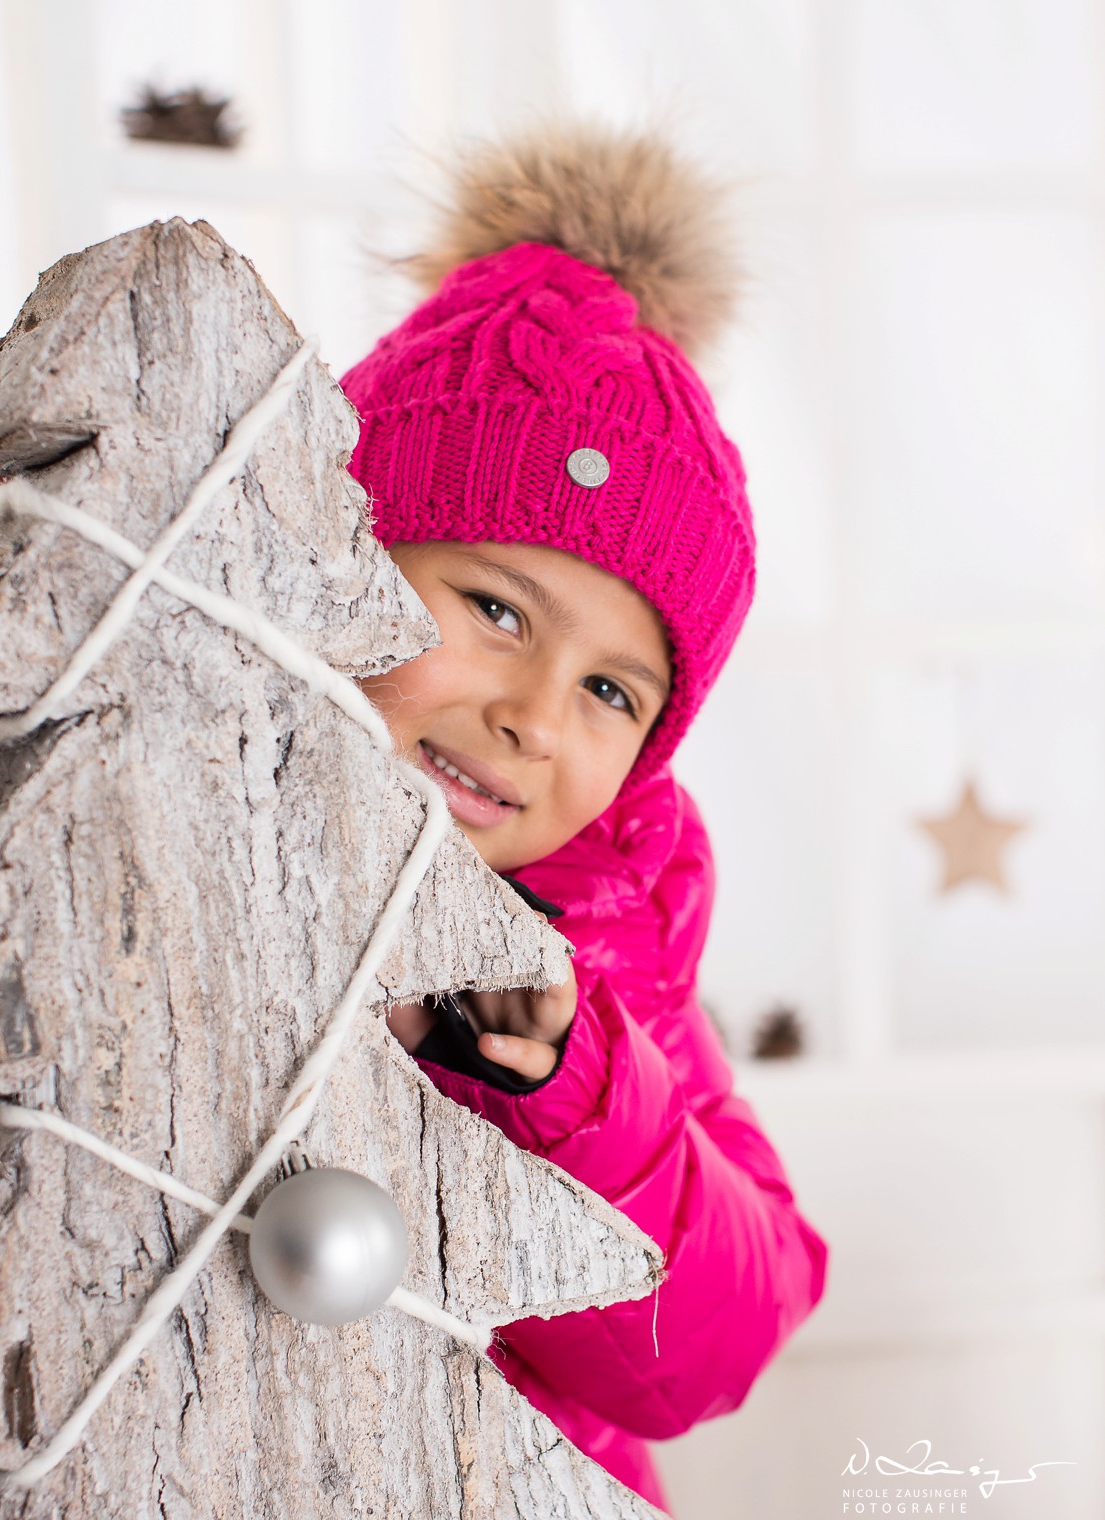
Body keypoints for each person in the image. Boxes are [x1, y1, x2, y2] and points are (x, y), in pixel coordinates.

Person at [342, 126, 828, 1513]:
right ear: (342, 563)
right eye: (493, 610)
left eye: (610, 690)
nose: (534, 719)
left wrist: (559, 1093)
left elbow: (708, 1346)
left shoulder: (612, 936)